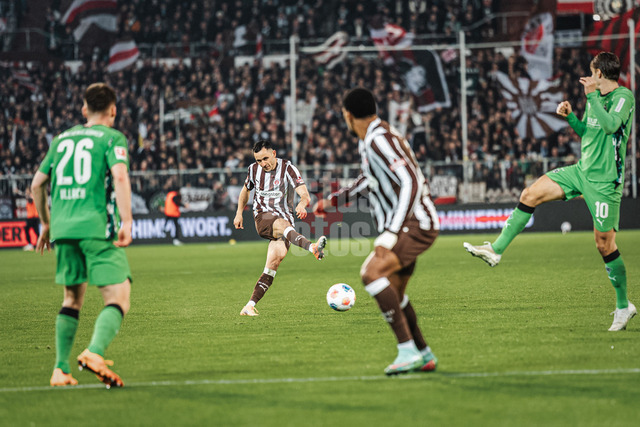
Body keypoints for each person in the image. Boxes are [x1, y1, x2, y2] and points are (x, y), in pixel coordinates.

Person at [464, 52, 636, 331]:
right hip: (581, 171)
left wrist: (592, 96)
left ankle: (623, 306)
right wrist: (571, 118)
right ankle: (496, 250)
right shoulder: (594, 98)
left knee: (604, 245)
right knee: (529, 194)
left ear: (599, 74)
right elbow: (589, 132)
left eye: (591, 72)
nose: (587, 77)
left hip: (605, 182)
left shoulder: (623, 97)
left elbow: (610, 126)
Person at [315, 88, 440, 375]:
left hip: (413, 223)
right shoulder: (374, 138)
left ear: (348, 115)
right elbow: (368, 180)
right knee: (394, 291)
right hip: (409, 223)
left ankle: (406, 351)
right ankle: (423, 353)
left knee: (371, 274)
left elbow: (410, 180)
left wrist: (391, 233)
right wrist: (334, 201)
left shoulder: (378, 139)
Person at [31, 83, 133, 388]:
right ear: (113, 110)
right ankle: (94, 352)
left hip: (63, 229)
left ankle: (60, 369)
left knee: (72, 298)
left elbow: (37, 184)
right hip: (95, 227)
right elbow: (119, 175)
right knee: (119, 295)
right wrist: (127, 221)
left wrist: (46, 224)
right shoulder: (112, 137)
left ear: (84, 109)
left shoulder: (61, 139)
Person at [234, 139, 327, 316]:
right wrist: (239, 213)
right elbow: (245, 190)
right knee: (282, 224)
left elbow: (304, 194)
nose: (263, 164)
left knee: (272, 265)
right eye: (258, 160)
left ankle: (249, 305)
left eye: (265, 158)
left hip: (286, 224)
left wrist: (302, 204)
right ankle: (312, 247)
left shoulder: (288, 169)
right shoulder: (253, 170)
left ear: (274, 154)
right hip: (263, 217)